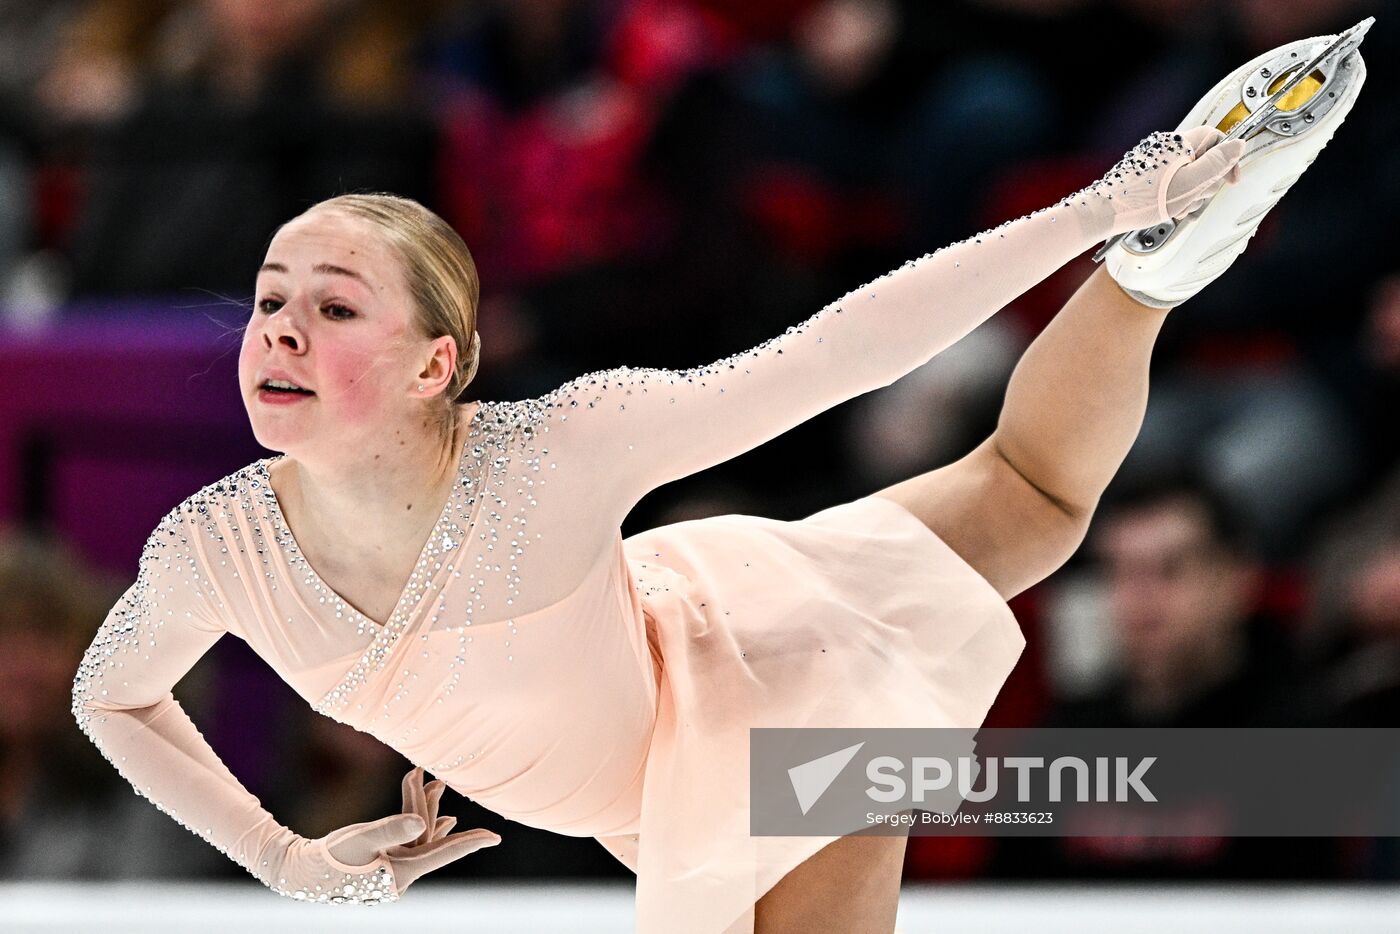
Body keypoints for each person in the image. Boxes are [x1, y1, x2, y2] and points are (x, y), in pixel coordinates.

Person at [70, 26, 1364, 929]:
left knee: (1032, 498)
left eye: (334, 307)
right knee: (1030, 502)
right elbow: (110, 697)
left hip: (765, 733)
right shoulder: (215, 548)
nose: (279, 331)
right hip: (677, 707)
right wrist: (289, 860)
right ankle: (1150, 281)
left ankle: (1139, 261)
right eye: (268, 300)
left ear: (436, 365)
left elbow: (834, 356)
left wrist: (1087, 208)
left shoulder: (557, 452)